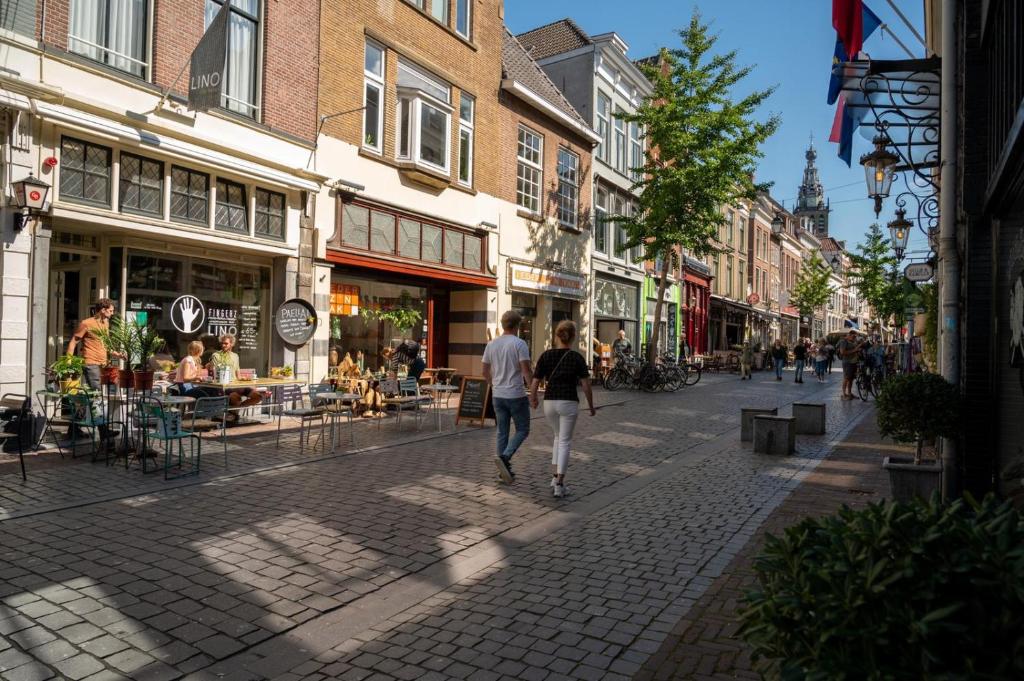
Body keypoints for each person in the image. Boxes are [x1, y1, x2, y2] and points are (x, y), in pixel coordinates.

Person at [530, 320, 595, 499]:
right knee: (565, 440)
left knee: (558, 438)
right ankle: (560, 484)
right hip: (568, 402)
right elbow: (586, 385)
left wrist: (533, 398)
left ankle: (554, 477)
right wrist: (591, 406)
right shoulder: (576, 357)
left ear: (556, 336)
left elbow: (535, 381)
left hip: (549, 402)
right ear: (573, 336)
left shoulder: (546, 355)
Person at [482, 310, 534, 484]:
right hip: (516, 394)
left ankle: (502, 472)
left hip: (498, 395)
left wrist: (493, 384)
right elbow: (526, 371)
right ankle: (505, 457)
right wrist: (533, 393)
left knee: (502, 431)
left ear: (504, 325)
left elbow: (484, 371)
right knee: (523, 429)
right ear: (517, 326)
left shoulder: (492, 344)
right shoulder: (519, 344)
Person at [66, 297, 124, 392]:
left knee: (100, 393)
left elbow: (104, 345)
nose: (112, 313)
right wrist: (68, 363)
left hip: (103, 363)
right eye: (110, 311)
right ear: (103, 310)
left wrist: (118, 355)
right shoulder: (86, 323)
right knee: (96, 392)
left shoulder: (105, 324)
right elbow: (73, 342)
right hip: (91, 363)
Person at [206, 335, 262, 413]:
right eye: (222, 343)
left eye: (226, 343)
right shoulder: (216, 355)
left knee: (258, 397)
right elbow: (215, 373)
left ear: (231, 344)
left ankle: (236, 410)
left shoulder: (235, 356)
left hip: (237, 385)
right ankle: (233, 415)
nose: (223, 345)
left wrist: (244, 379)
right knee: (235, 397)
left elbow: (238, 375)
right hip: (225, 386)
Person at [837, 329, 864, 400]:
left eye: (855, 337)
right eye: (853, 337)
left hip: (853, 362)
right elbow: (842, 352)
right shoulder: (843, 341)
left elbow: (855, 349)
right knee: (846, 378)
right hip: (847, 362)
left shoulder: (853, 341)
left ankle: (849, 393)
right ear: (849, 335)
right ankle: (843, 394)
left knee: (851, 379)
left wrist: (858, 348)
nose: (854, 338)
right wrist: (854, 350)